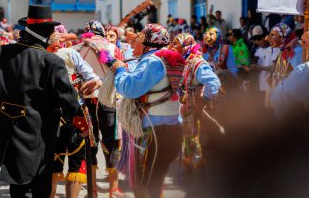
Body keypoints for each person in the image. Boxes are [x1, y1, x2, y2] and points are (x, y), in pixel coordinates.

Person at [0, 5, 87, 198]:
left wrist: (3, 112)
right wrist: (80, 121)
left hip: (8, 133)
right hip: (40, 135)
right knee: (39, 188)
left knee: (17, 187)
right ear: (46, 33)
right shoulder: (51, 61)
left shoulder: (1, 54)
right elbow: (67, 98)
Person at [113, 24, 184, 198]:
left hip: (153, 130)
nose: (135, 42)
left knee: (146, 181)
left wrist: (120, 70)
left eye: (139, 38)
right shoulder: (168, 58)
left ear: (147, 43)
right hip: (172, 127)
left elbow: (130, 89)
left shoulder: (152, 61)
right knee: (156, 178)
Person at [47, 27, 102, 198]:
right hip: (75, 113)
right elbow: (93, 78)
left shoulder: (36, 54)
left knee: (52, 163)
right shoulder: (70, 53)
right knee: (76, 162)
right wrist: (92, 83)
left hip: (48, 116)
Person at [73, 21, 125, 198]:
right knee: (111, 142)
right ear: (102, 32)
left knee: (90, 143)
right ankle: (113, 190)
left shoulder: (77, 49)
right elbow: (121, 71)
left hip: (85, 100)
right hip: (108, 99)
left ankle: (93, 190)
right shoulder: (111, 47)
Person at [169, 33, 221, 171]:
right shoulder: (183, 59)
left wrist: (203, 101)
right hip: (183, 108)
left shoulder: (197, 62)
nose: (172, 46)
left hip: (192, 108)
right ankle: (190, 168)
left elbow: (214, 82)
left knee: (192, 138)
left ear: (186, 46)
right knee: (188, 138)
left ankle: (196, 171)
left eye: (175, 43)